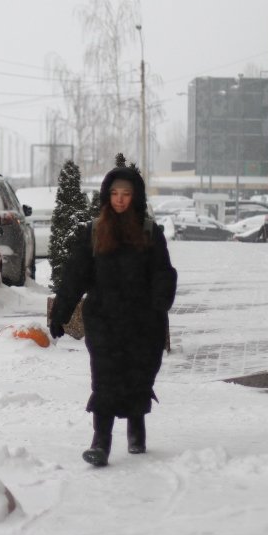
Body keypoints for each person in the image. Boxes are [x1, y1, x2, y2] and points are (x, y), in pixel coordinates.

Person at [49, 154, 177, 467]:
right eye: (115, 194)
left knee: (138, 376)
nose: (119, 200)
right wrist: (61, 312)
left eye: (126, 194)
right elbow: (76, 275)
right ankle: (100, 442)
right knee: (104, 380)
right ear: (108, 196)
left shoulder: (149, 232)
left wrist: (160, 301)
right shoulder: (93, 232)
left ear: (135, 197)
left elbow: (163, 272)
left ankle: (137, 427)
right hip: (104, 319)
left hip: (142, 321)